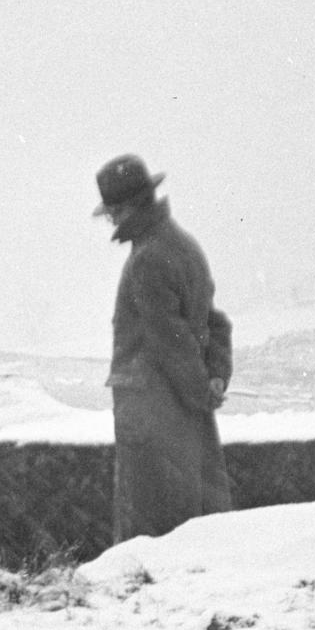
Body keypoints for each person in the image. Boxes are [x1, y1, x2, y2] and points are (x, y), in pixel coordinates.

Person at [94, 153, 234, 542]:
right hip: (183, 406)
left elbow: (168, 342)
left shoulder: (148, 258)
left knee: (151, 532)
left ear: (129, 207)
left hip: (154, 410)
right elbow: (214, 323)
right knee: (195, 519)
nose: (112, 222)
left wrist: (199, 392)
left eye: (113, 212)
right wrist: (215, 379)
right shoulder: (184, 246)